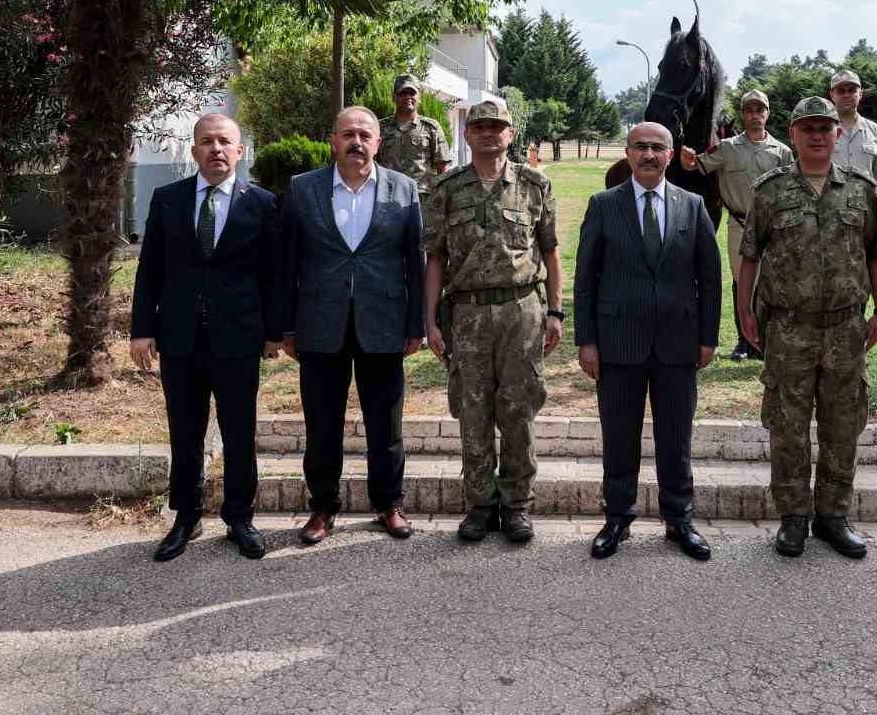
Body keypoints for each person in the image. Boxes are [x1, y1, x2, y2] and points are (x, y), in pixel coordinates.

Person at [737, 96, 877, 560]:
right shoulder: (769, 190)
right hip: (788, 330)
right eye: (808, 128)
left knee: (843, 425)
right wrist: (745, 313)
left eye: (825, 128)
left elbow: (875, 256)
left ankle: (833, 516)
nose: (818, 135)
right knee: (787, 426)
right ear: (794, 134)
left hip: (846, 329)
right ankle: (793, 517)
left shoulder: (860, 190)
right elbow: (750, 258)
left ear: (837, 134)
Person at [130, 113, 282, 562]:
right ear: (194, 150)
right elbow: (150, 270)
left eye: (225, 142)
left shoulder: (263, 203)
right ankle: (186, 516)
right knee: (185, 431)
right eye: (207, 142)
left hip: (238, 337)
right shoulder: (168, 200)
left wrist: (274, 333)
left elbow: (273, 275)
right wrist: (142, 330)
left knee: (239, 431)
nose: (216, 149)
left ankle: (240, 517)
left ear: (239, 151)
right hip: (179, 337)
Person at [574, 121, 721, 562]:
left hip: (678, 343)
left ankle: (679, 520)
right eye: (641, 147)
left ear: (671, 155)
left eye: (658, 148)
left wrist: (709, 337)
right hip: (618, 342)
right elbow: (585, 279)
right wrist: (587, 341)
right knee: (620, 435)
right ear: (627, 152)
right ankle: (617, 517)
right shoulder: (603, 205)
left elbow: (710, 278)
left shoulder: (693, 206)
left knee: (676, 437)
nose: (649, 155)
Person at [281, 106, 425, 544]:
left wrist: (416, 323)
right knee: (322, 425)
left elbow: (414, 263)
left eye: (365, 135)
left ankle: (389, 505)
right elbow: (287, 263)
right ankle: (322, 508)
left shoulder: (404, 190)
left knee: (386, 425)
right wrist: (287, 326)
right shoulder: (303, 189)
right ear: (333, 140)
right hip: (320, 325)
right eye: (348, 134)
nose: (356, 142)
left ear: (378, 143)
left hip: (383, 324)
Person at [423, 100, 563, 544]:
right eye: (479, 126)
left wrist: (555, 312)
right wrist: (430, 321)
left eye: (496, 126)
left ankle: (517, 505)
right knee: (472, 409)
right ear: (467, 135)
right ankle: (480, 505)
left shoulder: (535, 185)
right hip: (466, 314)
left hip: (521, 311)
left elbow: (552, 252)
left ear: (510, 133)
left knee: (519, 411)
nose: (487, 133)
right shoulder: (447, 189)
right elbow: (436, 258)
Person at [679, 89, 792, 358]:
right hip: (740, 225)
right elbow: (696, 165)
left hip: (773, 226)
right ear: (743, 114)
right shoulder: (727, 148)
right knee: (742, 280)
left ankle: (767, 339)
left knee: (771, 281)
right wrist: (687, 160)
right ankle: (744, 341)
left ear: (767, 113)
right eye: (750, 110)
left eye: (760, 110)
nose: (755, 115)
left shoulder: (783, 152)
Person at [827, 70, 877, 238]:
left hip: (867, 215)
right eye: (840, 91)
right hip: (829, 213)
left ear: (861, 93)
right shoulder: (822, 130)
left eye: (852, 90)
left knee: (869, 263)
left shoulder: (875, 131)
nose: (847, 95)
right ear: (832, 95)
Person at [377, 73, 451, 190]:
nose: (408, 97)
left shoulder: (431, 127)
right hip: (388, 196)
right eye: (402, 93)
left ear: (419, 98)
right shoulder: (380, 127)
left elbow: (443, 167)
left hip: (422, 199)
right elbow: (371, 164)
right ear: (394, 97)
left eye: (412, 93)